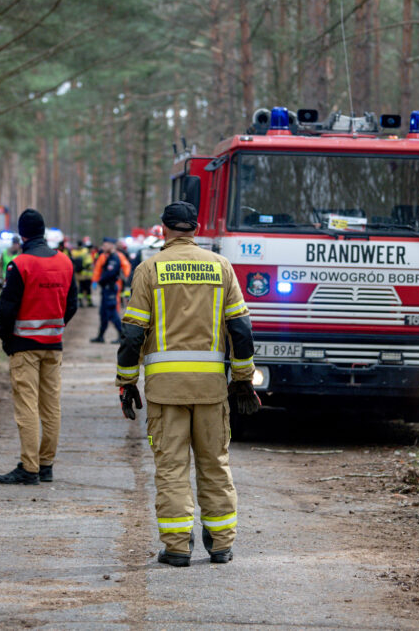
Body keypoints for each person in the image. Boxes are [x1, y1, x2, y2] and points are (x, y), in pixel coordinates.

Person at [115, 201, 260, 567]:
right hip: (211, 389)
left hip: (165, 391)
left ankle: (178, 548)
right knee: (215, 465)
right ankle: (221, 544)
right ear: (196, 228)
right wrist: (242, 379)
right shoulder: (221, 267)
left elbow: (132, 335)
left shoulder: (149, 269)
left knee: (172, 468)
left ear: (163, 229)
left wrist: (127, 381)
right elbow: (241, 330)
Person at [0, 209, 77, 485]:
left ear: (22, 234)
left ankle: (29, 468)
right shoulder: (66, 263)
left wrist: (6, 338)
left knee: (27, 406)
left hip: (25, 346)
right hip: (53, 345)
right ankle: (46, 465)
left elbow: (7, 308)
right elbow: (73, 304)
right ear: (43, 232)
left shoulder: (20, 264)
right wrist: (56, 326)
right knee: (51, 405)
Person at [91, 238, 124, 343]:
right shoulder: (108, 257)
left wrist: (99, 281)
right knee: (103, 314)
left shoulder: (114, 258)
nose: (103, 247)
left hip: (110, 289)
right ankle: (100, 336)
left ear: (111, 245)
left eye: (105, 245)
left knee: (112, 313)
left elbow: (109, 274)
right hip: (106, 289)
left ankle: (122, 335)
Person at [70, 239, 94, 307]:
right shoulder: (85, 252)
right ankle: (89, 302)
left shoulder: (73, 252)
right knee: (88, 288)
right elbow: (89, 263)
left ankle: (80, 302)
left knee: (80, 288)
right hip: (87, 275)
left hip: (78, 274)